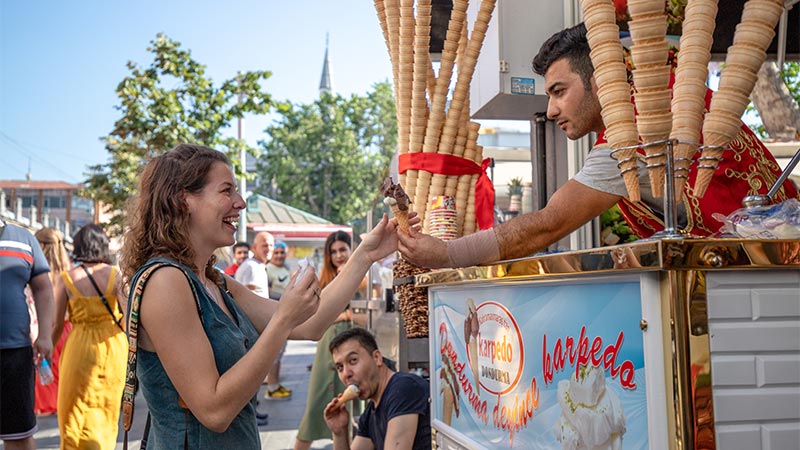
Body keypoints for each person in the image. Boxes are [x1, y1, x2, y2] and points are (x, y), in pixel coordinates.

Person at [398, 22, 798, 270]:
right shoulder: (669, 96)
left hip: (758, 285)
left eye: (559, 92)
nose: (552, 111)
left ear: (600, 80)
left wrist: (447, 256)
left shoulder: (636, 132)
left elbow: (548, 225)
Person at [119, 143, 403, 449]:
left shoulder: (216, 282)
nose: (240, 203)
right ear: (183, 199)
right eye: (226, 191)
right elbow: (214, 410)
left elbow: (311, 324)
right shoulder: (165, 281)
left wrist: (365, 254)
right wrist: (283, 319)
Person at [50, 224, 126, 450]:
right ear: (102, 246)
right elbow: (129, 316)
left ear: (78, 246)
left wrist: (47, 351)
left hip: (79, 346)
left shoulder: (66, 278)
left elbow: (56, 323)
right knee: (106, 410)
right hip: (113, 347)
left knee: (72, 409)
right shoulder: (116, 275)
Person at [294, 231, 364, 450]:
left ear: (352, 249)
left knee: (351, 408)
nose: (338, 255)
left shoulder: (364, 277)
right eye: (333, 252)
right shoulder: (325, 279)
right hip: (328, 348)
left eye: (343, 249)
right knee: (316, 403)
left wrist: (344, 315)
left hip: (356, 347)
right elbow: (313, 315)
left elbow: (371, 314)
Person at [323, 327, 431, 450]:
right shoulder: (370, 411)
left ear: (377, 358)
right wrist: (339, 432)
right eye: (340, 367)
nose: (346, 373)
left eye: (353, 361)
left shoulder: (404, 389)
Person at [0, 218, 55, 450]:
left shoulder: (23, 239)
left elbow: (43, 288)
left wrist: (45, 335)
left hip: (15, 354)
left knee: (18, 436)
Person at [32, 227, 73, 416]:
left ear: (41, 245)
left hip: (46, 327)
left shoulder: (38, 273)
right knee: (62, 370)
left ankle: (50, 405)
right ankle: (62, 403)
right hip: (67, 328)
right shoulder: (68, 271)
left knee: (46, 369)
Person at [264, 241, 292, 399]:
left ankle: (275, 383)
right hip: (274, 316)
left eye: (282, 252)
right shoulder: (267, 270)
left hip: (285, 315)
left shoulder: (285, 270)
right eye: (277, 252)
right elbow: (266, 292)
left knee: (280, 353)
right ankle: (272, 387)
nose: (280, 255)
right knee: (274, 353)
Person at [234, 232, 273, 298]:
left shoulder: (257, 266)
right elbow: (248, 298)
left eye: (271, 245)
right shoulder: (251, 267)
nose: (269, 249)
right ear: (254, 248)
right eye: (264, 245)